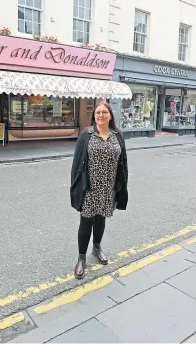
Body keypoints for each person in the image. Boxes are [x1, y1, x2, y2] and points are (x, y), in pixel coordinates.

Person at [70, 101, 128, 279]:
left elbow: (123, 163)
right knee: (86, 223)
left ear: (110, 115)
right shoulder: (86, 136)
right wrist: (76, 187)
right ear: (94, 116)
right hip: (90, 188)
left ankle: (97, 248)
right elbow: (76, 165)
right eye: (98, 113)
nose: (101, 115)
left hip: (108, 188)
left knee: (101, 220)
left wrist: (122, 185)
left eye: (104, 112)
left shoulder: (117, 135)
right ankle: (81, 258)